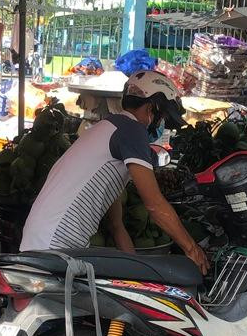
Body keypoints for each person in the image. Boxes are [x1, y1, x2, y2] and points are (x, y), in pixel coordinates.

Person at [20, 70, 209, 274]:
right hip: (55, 246)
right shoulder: (131, 131)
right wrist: (192, 249)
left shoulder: (108, 130)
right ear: (152, 107)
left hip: (40, 240)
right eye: (162, 116)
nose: (162, 124)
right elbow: (154, 205)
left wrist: (137, 273)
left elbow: (116, 226)